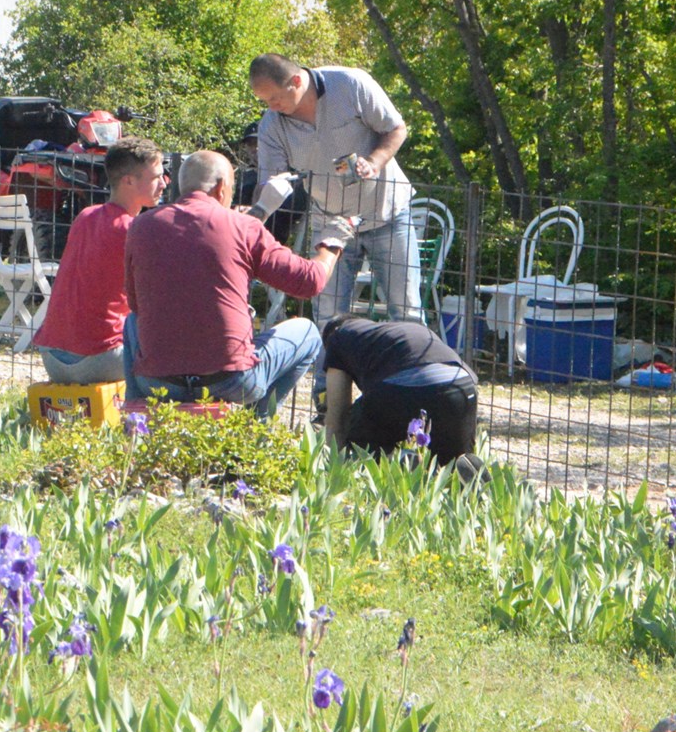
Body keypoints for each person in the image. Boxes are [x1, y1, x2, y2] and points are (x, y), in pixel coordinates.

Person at [121, 150, 351, 418]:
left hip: (158, 383)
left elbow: (135, 303)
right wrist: (331, 245)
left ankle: (136, 415)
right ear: (220, 188)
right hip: (231, 382)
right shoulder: (242, 226)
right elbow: (309, 282)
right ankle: (253, 427)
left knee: (132, 320)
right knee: (308, 333)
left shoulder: (141, 226)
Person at [248, 53, 421, 326]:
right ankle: (326, 371)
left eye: (275, 98)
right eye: (265, 101)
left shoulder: (350, 84)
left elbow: (396, 129)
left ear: (295, 81)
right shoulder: (271, 125)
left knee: (407, 312)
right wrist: (256, 212)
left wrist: (374, 162)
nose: (271, 106)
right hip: (329, 224)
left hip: (387, 213)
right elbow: (268, 182)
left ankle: (414, 370)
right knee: (327, 317)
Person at [30, 135, 165, 384]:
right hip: (100, 360)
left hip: (52, 359)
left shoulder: (85, 216)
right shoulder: (135, 230)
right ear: (129, 181)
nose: (164, 184)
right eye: (156, 177)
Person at [320, 314, 480, 466]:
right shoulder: (389, 332)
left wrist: (332, 463)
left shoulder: (338, 337)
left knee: (359, 444)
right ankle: (471, 476)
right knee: (451, 465)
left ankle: (399, 461)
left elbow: (337, 416)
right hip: (462, 385)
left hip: (405, 385)